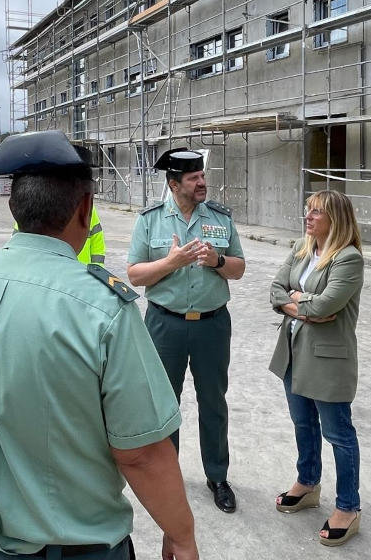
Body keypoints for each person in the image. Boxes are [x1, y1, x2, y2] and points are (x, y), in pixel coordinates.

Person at [0, 130, 198, 560]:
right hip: (75, 550)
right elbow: (141, 452)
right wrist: (181, 534)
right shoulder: (103, 308)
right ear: (85, 208)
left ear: (14, 208)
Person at [127, 148, 246, 513]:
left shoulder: (220, 218)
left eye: (202, 175)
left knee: (214, 401)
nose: (202, 182)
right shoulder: (150, 220)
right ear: (173, 182)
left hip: (212, 324)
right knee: (166, 403)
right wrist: (171, 262)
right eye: (193, 178)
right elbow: (134, 274)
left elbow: (239, 268)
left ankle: (217, 475)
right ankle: (167, 475)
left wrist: (217, 261)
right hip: (165, 324)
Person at [268, 190, 364, 546]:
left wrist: (296, 300)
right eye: (307, 210)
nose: (308, 217)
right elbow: (277, 289)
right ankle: (307, 483)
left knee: (338, 433)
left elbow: (328, 303)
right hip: (294, 351)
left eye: (316, 212)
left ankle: (348, 506)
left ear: (335, 219)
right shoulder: (302, 246)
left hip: (327, 359)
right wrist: (300, 304)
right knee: (302, 423)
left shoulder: (348, 258)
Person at [13, 204, 106, 265]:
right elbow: (17, 246)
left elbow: (97, 241)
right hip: (44, 279)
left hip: (82, 276)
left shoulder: (86, 207)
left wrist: (97, 271)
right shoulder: (34, 204)